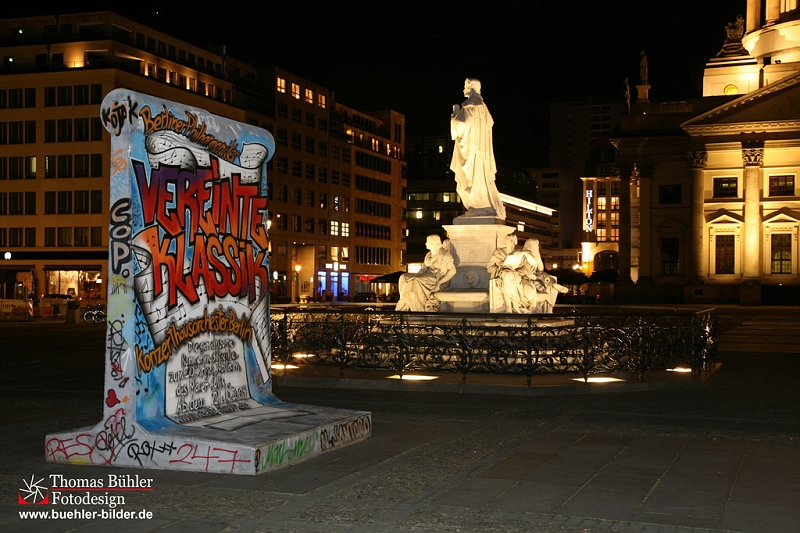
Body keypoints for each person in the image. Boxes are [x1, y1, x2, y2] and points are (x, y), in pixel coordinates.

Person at [450, 78, 506, 220]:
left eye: (465, 86)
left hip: (473, 150)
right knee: (475, 180)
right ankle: (480, 206)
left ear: (472, 87)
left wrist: (455, 115)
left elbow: (464, 124)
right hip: (478, 151)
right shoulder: (482, 107)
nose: (463, 89)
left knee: (471, 180)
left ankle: (479, 206)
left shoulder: (472, 106)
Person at [489, 238, 568, 314]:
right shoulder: (520, 255)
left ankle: (553, 284)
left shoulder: (532, 258)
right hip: (521, 277)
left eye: (535, 247)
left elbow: (540, 271)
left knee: (545, 279)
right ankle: (516, 307)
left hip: (532, 278)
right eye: (532, 247)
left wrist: (535, 275)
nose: (534, 249)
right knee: (527, 288)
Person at [396, 235, 456, 312]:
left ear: (433, 243)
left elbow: (453, 271)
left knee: (414, 281)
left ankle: (416, 309)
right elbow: (422, 269)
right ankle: (405, 301)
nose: (425, 244)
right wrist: (415, 275)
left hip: (435, 278)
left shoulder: (444, 255)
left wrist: (439, 283)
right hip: (425, 275)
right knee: (403, 277)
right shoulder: (428, 254)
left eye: (427, 242)